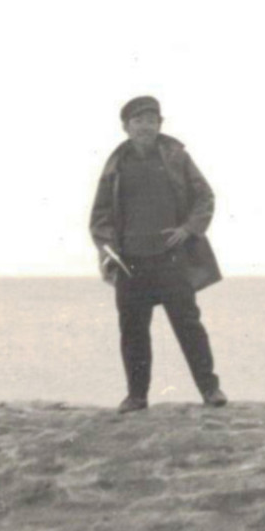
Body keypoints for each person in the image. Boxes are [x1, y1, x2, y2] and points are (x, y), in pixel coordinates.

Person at [89, 96, 229, 413]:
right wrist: (109, 250)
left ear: (159, 125)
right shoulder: (116, 165)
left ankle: (210, 389)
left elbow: (204, 196)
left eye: (151, 120)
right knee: (133, 332)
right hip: (130, 264)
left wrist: (189, 229)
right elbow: (99, 216)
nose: (145, 126)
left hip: (171, 260)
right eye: (138, 121)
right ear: (126, 127)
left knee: (189, 326)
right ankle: (136, 396)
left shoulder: (176, 156)